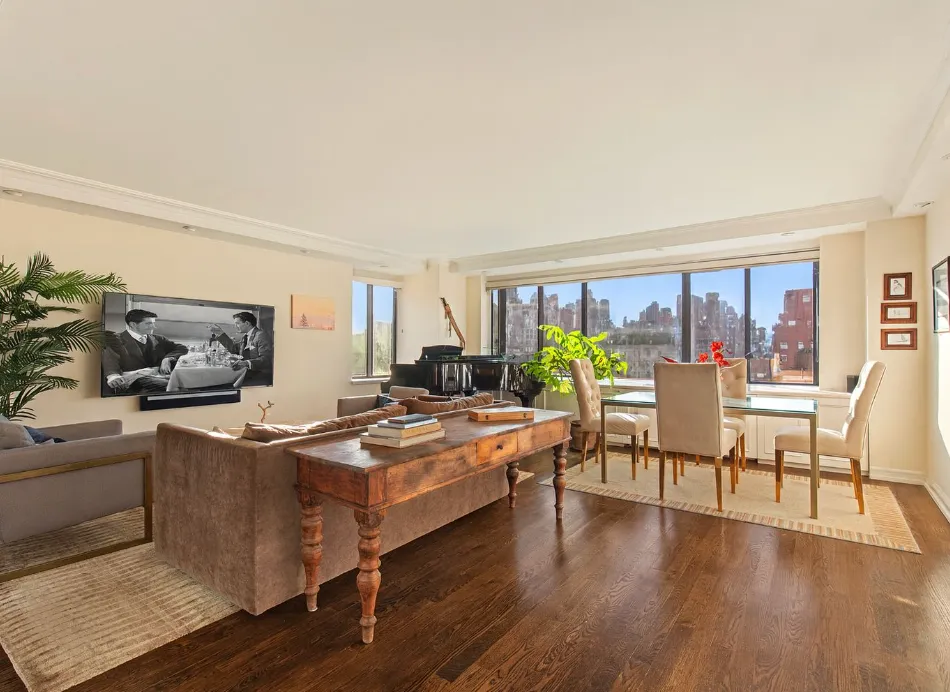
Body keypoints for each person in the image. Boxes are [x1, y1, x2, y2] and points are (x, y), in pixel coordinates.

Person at [101, 309, 188, 394]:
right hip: (134, 380)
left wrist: (168, 358)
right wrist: (113, 376)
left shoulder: (159, 339)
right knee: (178, 387)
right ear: (133, 324)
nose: (154, 327)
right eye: (148, 323)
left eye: (153, 323)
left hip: (159, 376)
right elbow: (110, 361)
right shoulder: (115, 339)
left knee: (188, 383)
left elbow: (181, 348)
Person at [210, 311, 274, 387]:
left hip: (259, 375)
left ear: (247, 323)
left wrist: (246, 363)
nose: (235, 326)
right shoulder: (245, 337)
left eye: (237, 323)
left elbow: (266, 359)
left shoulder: (260, 335)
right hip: (247, 373)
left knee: (222, 384)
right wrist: (220, 333)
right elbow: (234, 349)